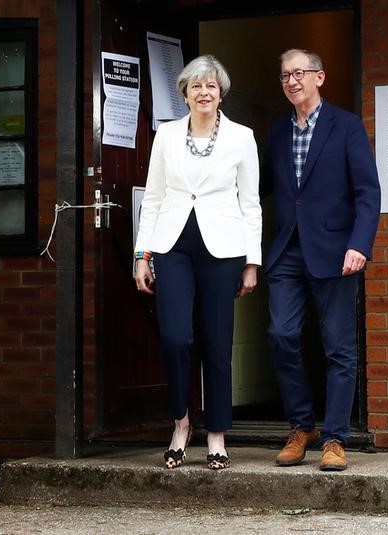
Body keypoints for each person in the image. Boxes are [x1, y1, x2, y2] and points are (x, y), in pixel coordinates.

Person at [134, 55, 261, 470]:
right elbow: (152, 198)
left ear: (220, 93)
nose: (204, 93)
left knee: (217, 342)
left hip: (223, 250)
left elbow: (251, 203)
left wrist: (252, 262)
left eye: (211, 86)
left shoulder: (242, 137)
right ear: (184, 94)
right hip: (173, 246)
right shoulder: (166, 136)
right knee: (175, 337)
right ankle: (181, 423)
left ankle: (217, 435)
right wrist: (142, 254)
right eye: (195, 87)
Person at [265, 49, 381, 471]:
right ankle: (302, 426)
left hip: (336, 252)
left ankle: (334, 438)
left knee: (338, 347)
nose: (291, 81)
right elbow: (253, 186)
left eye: (299, 73)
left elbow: (368, 191)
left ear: (320, 77)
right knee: (281, 335)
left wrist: (360, 244)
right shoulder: (276, 132)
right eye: (284, 76)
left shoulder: (346, 127)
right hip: (286, 250)